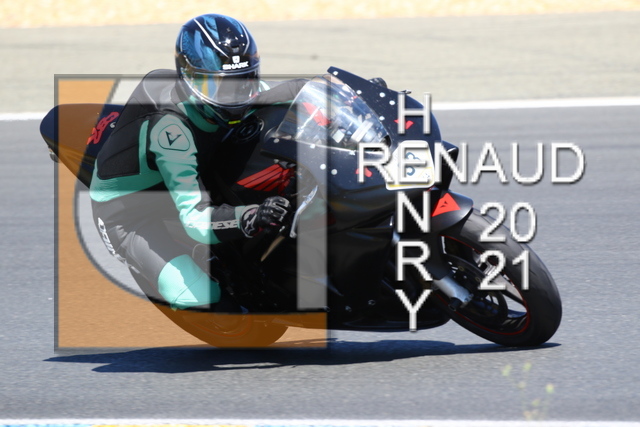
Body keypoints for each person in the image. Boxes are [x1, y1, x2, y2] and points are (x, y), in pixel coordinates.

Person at [89, 14, 306, 312]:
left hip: (194, 169)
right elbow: (194, 220)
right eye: (220, 87)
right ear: (189, 78)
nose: (235, 97)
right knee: (201, 296)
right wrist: (252, 216)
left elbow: (295, 89)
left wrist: (349, 95)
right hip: (132, 212)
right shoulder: (171, 132)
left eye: (243, 82)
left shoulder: (233, 91)